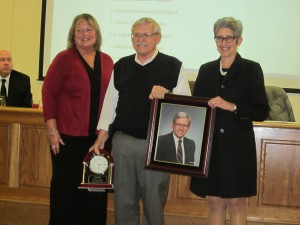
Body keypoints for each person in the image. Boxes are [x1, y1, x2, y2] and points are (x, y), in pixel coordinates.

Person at [90, 17, 191, 225]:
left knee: (154, 202)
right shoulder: (121, 66)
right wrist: (102, 135)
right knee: (124, 201)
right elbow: (110, 104)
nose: (140, 39)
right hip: (123, 143)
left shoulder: (173, 66)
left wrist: (168, 95)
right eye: (136, 34)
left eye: (146, 35)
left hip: (158, 146)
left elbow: (186, 109)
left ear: (158, 38)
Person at [189, 17, 270, 225]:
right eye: (219, 38)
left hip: (237, 149)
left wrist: (232, 106)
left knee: (236, 203)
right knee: (214, 202)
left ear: (239, 40)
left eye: (229, 38)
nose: (223, 43)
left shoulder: (251, 69)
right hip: (210, 148)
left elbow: (261, 110)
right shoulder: (206, 69)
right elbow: (196, 110)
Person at [42, 13, 114, 225]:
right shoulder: (64, 58)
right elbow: (49, 93)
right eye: (80, 30)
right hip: (67, 140)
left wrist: (105, 134)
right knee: (66, 193)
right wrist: (52, 132)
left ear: (97, 33)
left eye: (89, 29)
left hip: (99, 141)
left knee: (95, 193)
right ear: (73, 35)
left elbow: (113, 98)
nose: (85, 34)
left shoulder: (108, 60)